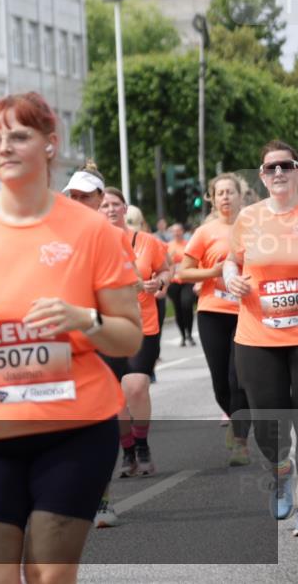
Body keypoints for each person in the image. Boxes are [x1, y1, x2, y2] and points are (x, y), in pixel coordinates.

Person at [0, 92, 141, 583]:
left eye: (19, 135)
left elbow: (128, 338)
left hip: (74, 429)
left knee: (47, 576)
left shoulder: (91, 231)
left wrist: (81, 319)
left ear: (49, 144)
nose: (5, 146)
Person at [223, 140, 298, 527]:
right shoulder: (249, 218)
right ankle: (282, 472)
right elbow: (230, 263)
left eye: (286, 165)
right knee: (270, 422)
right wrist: (233, 280)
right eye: (271, 168)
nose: (279, 173)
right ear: (263, 176)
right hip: (258, 336)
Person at [62, 161, 139, 529]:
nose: (76, 201)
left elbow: (128, 284)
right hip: (65, 340)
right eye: (71, 195)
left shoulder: (113, 236)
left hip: (104, 334)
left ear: (99, 198)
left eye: (83, 195)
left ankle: (102, 497)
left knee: (99, 417)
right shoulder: (54, 234)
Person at [179, 173, 251, 466]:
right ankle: (236, 422)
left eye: (229, 192)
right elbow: (184, 272)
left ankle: (241, 443)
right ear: (212, 197)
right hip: (212, 312)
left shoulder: (254, 227)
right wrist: (212, 272)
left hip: (247, 312)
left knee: (238, 379)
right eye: (219, 192)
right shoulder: (204, 232)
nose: (225, 197)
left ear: (240, 195)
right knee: (221, 382)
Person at [100, 187, 171, 476]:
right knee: (116, 395)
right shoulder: (91, 243)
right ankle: (127, 450)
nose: (110, 209)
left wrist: (159, 283)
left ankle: (141, 444)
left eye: (115, 204)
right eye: (104, 205)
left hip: (144, 325)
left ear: (125, 208)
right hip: (106, 329)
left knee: (137, 387)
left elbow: (166, 271)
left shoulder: (146, 242)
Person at [167, 223, 197, 347]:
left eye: (179, 230)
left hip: (187, 280)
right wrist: (170, 257)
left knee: (186, 304)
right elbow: (164, 264)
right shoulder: (168, 246)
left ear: (183, 232)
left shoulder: (189, 245)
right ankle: (183, 336)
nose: (176, 233)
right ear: (171, 233)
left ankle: (189, 333)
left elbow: (195, 260)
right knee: (178, 309)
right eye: (174, 231)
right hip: (174, 282)